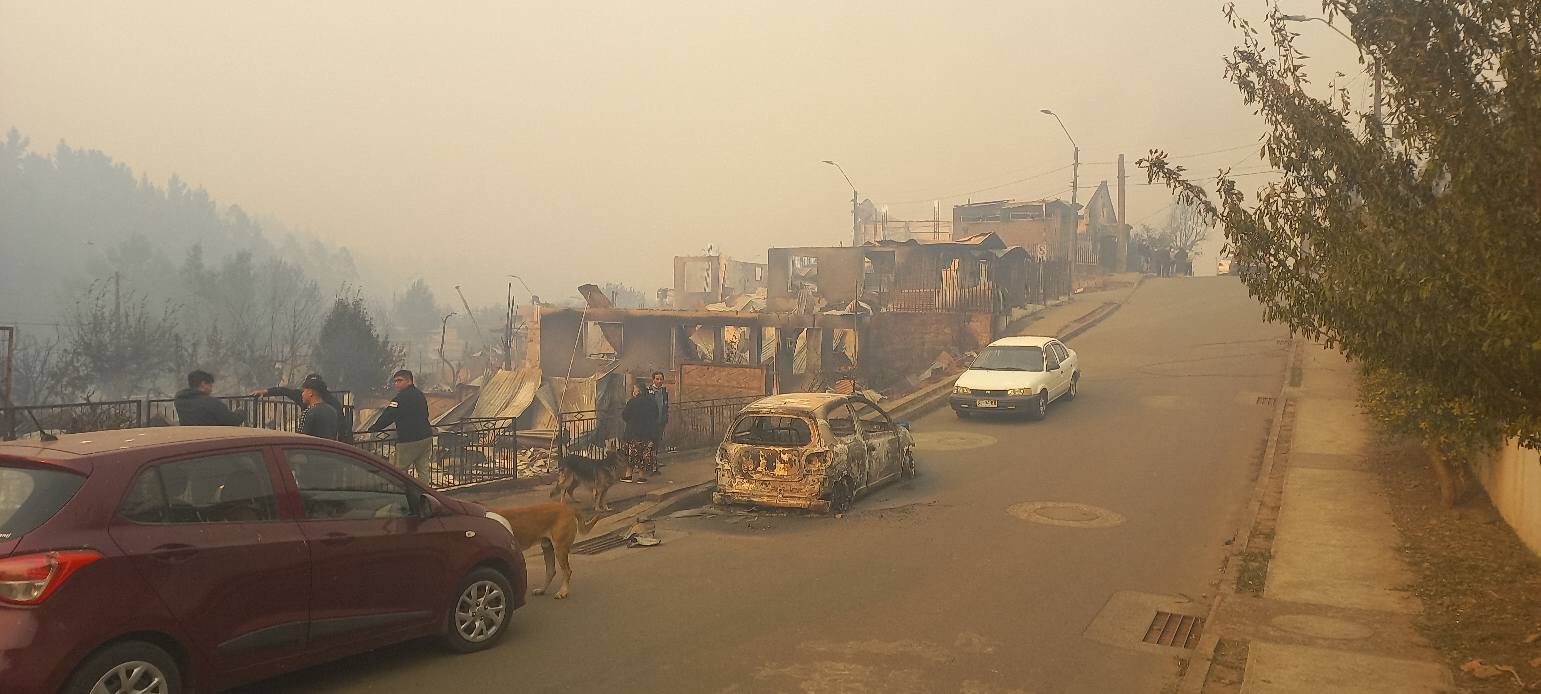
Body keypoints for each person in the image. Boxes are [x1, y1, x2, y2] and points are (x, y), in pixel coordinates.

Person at [371, 369, 433, 481]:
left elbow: (388, 415)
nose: (396, 384)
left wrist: (375, 428)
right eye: (395, 381)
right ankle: (424, 490)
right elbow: (426, 413)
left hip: (409, 439)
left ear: (409, 381)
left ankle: (401, 491)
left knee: (400, 471)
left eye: (399, 380)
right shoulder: (420, 395)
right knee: (423, 470)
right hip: (426, 436)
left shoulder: (400, 398)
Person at [251, 374, 352, 442]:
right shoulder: (332, 408)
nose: (302, 393)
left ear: (311, 392)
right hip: (327, 446)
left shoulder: (311, 411)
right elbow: (284, 391)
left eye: (305, 390)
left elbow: (301, 437)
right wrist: (266, 391)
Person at [619, 381, 659, 483]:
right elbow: (656, 415)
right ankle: (641, 476)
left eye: (634, 389)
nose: (633, 391)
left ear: (638, 390)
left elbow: (625, 415)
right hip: (647, 433)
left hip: (633, 432)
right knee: (643, 454)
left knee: (631, 454)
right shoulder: (652, 402)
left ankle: (628, 475)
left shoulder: (632, 401)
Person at [174, 370, 245, 426]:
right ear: (203, 384)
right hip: (212, 437)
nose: (211, 389)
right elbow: (233, 421)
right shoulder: (211, 403)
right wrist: (241, 412)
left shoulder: (180, 400)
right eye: (210, 385)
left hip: (190, 437)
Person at [647, 371, 670, 462]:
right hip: (651, 422)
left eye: (661, 379)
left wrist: (665, 417)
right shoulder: (648, 392)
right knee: (650, 442)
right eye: (657, 379)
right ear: (653, 380)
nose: (659, 381)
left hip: (661, 421)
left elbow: (665, 405)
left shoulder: (664, 392)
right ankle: (648, 461)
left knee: (657, 441)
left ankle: (655, 460)